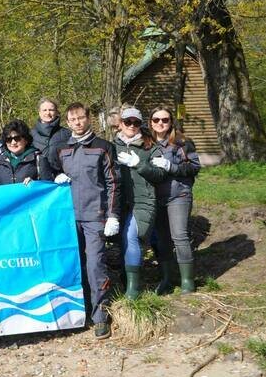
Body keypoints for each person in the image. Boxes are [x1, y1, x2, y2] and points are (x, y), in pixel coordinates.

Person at [53, 102, 120, 340]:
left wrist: (112, 215)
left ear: (88, 119)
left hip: (95, 217)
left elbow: (114, 183)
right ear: (68, 122)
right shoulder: (61, 149)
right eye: (73, 120)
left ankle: (101, 315)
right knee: (72, 265)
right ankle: (76, 313)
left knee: (95, 266)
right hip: (69, 218)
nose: (78, 123)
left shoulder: (103, 147)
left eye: (81, 118)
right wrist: (54, 178)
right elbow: (46, 171)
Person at [112, 107, 168, 299]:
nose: (132, 126)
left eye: (136, 123)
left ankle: (133, 290)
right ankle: (125, 280)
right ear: (120, 124)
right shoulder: (111, 146)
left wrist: (139, 164)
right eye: (128, 122)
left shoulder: (149, 146)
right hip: (118, 201)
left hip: (144, 200)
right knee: (121, 240)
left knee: (131, 236)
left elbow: (160, 175)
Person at [149, 106, 201, 294]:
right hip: (156, 197)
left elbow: (194, 167)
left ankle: (187, 281)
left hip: (179, 195)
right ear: (151, 122)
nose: (160, 123)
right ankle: (167, 278)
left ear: (171, 122)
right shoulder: (147, 143)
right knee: (162, 240)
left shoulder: (182, 142)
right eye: (156, 120)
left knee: (179, 236)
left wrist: (172, 167)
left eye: (165, 120)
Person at [0, 120, 50, 185]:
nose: (13, 142)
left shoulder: (39, 159)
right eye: (9, 139)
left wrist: (35, 184)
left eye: (17, 138)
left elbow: (48, 186)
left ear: (26, 140)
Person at [31, 98, 71, 174]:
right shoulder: (30, 135)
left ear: (56, 112)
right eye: (44, 110)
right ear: (39, 112)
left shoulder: (67, 134)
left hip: (63, 180)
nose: (48, 113)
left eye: (51, 110)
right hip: (39, 181)